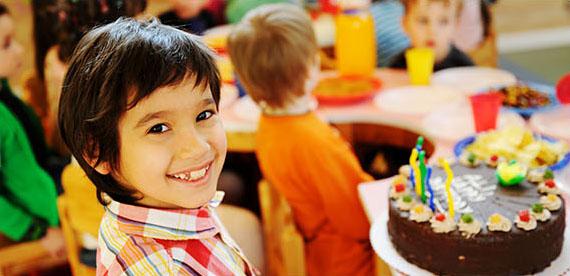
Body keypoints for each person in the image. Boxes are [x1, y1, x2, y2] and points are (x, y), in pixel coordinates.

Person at [58, 18, 257, 275]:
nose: (197, 147)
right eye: (159, 128)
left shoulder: (170, 206)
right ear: (98, 152)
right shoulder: (163, 268)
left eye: (204, 115)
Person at [228, 4, 375, 275]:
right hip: (346, 259)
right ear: (311, 68)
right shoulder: (313, 140)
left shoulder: (270, 124)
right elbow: (359, 222)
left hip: (315, 244)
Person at [0, 2, 64, 257]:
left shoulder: (5, 91)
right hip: (42, 212)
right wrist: (36, 232)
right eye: (6, 45)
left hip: (49, 178)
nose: (19, 50)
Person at [389, 0, 474, 71]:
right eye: (423, 21)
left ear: (456, 25)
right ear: (405, 24)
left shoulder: (464, 68)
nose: (432, 31)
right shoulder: (398, 66)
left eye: (443, 21)